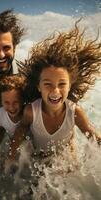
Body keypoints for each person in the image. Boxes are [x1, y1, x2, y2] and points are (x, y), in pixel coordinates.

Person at [9, 24, 101, 162]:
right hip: (38, 158)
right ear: (39, 86)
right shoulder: (31, 111)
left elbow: (94, 137)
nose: (55, 91)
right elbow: (21, 128)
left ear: (70, 86)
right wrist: (11, 156)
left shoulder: (75, 112)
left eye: (62, 84)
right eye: (47, 84)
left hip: (65, 161)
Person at [0, 75, 25, 166]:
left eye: (16, 102)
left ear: (23, 100)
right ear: (1, 102)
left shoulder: (28, 113)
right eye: (6, 103)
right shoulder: (0, 113)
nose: (11, 107)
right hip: (13, 144)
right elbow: (0, 129)